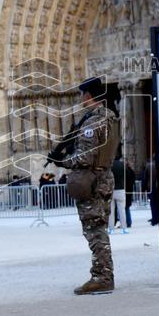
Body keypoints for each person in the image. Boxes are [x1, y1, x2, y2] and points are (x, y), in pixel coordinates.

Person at [56, 76, 119, 295]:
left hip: (92, 181)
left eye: (82, 94)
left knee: (95, 230)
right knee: (99, 228)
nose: (80, 98)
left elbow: (84, 157)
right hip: (104, 178)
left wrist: (62, 161)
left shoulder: (92, 122)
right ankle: (104, 274)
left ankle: (102, 277)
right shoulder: (111, 117)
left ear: (88, 95)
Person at [108, 155, 129, 234]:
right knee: (122, 210)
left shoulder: (109, 165)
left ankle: (111, 229)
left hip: (111, 189)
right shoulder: (122, 165)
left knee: (111, 211)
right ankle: (124, 228)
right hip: (121, 189)